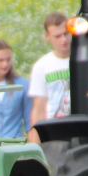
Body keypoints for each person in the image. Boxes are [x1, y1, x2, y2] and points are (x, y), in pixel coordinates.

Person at [28, 11, 71, 140]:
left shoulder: (82, 59)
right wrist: (36, 142)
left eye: (66, 34)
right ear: (47, 36)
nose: (63, 40)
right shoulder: (41, 66)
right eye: (57, 36)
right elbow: (39, 107)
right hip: (53, 131)